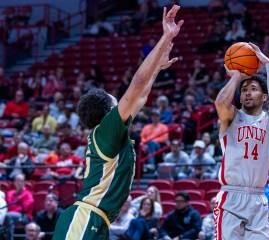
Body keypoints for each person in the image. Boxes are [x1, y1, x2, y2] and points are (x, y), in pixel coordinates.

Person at [52, 5, 184, 239]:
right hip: (85, 218)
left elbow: (141, 96)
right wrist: (165, 38)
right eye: (118, 102)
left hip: (95, 220)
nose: (123, 103)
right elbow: (136, 85)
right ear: (109, 111)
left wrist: (157, 69)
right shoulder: (106, 131)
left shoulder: (109, 136)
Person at [214, 42, 269, 239]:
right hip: (230, 196)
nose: (247, 92)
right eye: (244, 89)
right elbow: (220, 102)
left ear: (263, 97)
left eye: (253, 89)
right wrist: (237, 76)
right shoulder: (231, 117)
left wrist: (268, 65)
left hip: (258, 197)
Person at [5, 173, 34, 240]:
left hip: (24, 216)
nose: (19, 183)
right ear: (14, 182)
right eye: (17, 181)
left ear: (24, 182)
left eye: (21, 181)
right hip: (10, 214)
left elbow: (25, 207)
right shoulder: (10, 193)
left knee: (8, 216)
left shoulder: (28, 194)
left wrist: (12, 210)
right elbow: (8, 205)